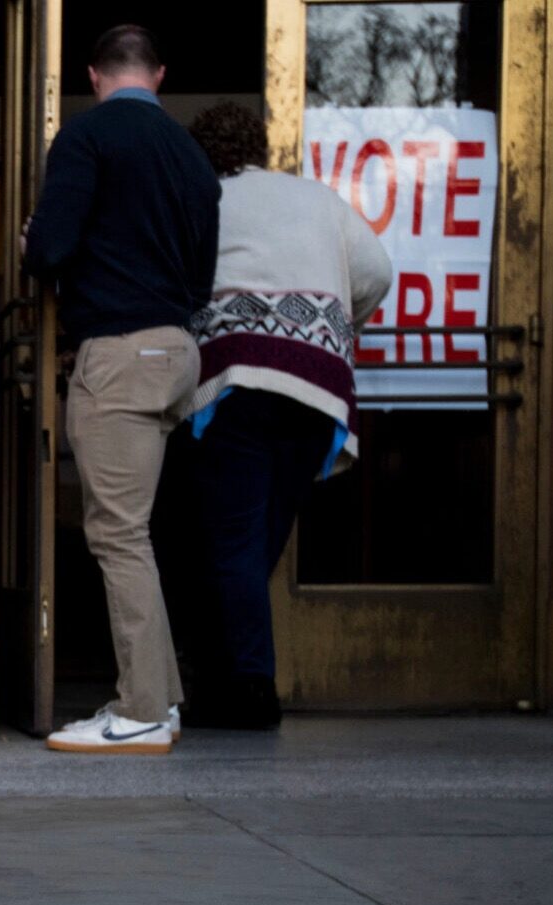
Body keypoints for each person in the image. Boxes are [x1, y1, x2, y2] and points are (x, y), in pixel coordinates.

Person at [161, 102, 391, 729]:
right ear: (261, 146)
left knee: (229, 541)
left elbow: (171, 285)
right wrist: (336, 327)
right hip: (318, 389)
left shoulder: (204, 199)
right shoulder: (318, 199)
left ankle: (252, 690)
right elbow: (377, 271)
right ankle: (222, 681)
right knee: (257, 540)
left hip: (239, 383)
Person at [22, 24, 220, 755]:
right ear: (158, 75)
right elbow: (199, 279)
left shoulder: (87, 137)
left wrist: (30, 243)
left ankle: (138, 709)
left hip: (118, 354)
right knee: (134, 532)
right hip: (177, 351)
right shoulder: (193, 157)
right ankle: (157, 702)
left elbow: (49, 249)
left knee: (117, 536)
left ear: (93, 74)